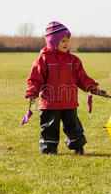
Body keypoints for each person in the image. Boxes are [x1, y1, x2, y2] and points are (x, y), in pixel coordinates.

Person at [25, 21, 103, 155]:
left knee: (74, 127)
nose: (66, 43)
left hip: (69, 102)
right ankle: (49, 150)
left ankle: (78, 147)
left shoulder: (73, 60)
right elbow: (35, 79)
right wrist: (32, 93)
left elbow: (81, 78)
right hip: (49, 104)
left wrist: (92, 87)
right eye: (62, 41)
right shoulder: (43, 60)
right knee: (49, 127)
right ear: (52, 42)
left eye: (67, 40)